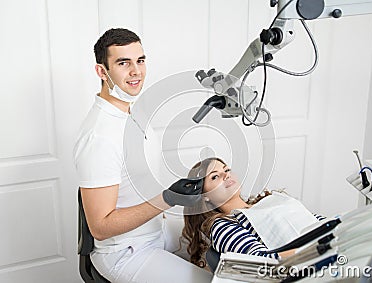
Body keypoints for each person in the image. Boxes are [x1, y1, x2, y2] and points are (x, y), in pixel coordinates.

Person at [73, 28, 212, 283]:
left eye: (140, 60)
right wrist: (167, 199)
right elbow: (100, 228)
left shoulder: (131, 114)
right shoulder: (99, 137)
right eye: (123, 63)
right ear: (102, 72)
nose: (136, 71)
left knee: (227, 243)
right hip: (126, 253)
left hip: (156, 230)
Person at [182, 157, 325, 268]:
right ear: (204, 196)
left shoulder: (270, 199)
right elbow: (259, 261)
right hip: (311, 264)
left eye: (226, 170)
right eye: (215, 176)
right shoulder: (222, 225)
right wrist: (322, 248)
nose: (226, 175)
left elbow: (313, 220)